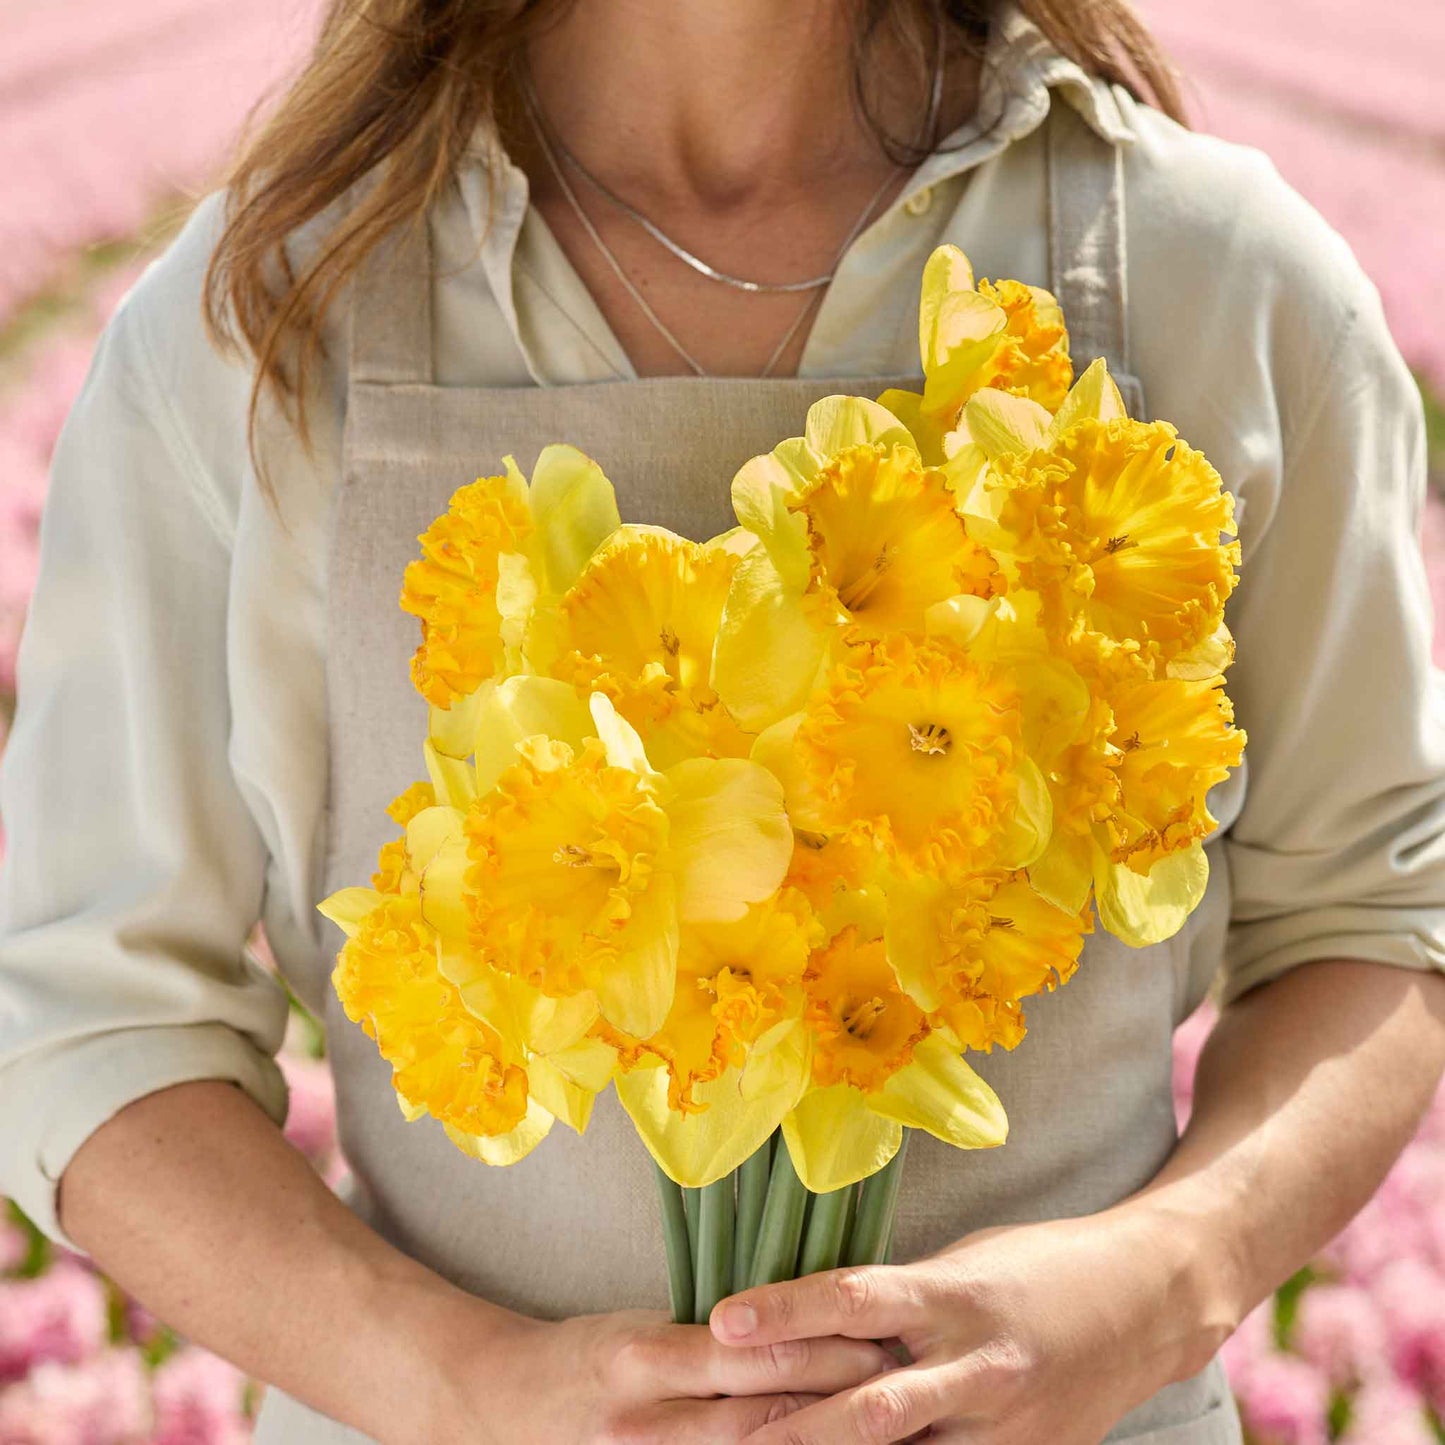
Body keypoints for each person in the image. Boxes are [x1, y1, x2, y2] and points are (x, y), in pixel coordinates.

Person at [2, 1, 1443, 1441]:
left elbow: (1376, 920)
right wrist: (459, 1383)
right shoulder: (260, 319)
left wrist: (1160, 1276)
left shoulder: (1226, 283)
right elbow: (92, 1012)